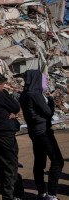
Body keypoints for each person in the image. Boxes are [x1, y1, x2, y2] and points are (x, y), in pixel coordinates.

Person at [20, 70, 64, 200]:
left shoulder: (24, 94)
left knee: (39, 162)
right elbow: (48, 112)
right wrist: (50, 99)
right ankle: (51, 193)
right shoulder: (35, 94)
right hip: (43, 131)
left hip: (34, 132)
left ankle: (41, 192)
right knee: (57, 161)